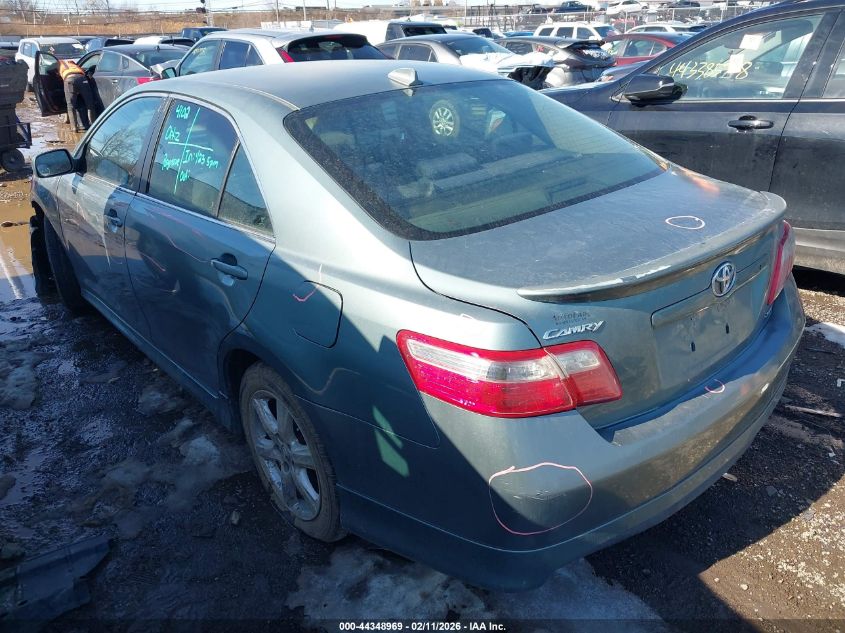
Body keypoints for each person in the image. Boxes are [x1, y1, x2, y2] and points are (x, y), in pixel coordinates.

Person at [57, 59, 95, 132]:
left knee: (70, 105)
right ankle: (93, 126)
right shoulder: (75, 65)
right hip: (82, 78)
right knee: (90, 104)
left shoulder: (60, 64)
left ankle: (74, 128)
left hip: (69, 79)